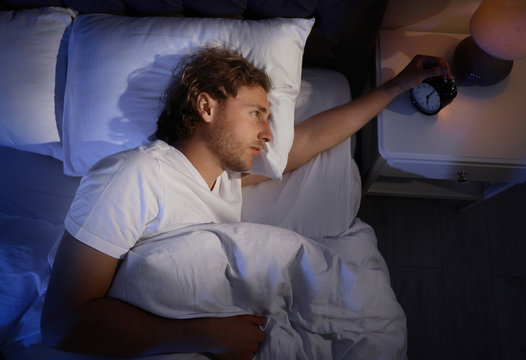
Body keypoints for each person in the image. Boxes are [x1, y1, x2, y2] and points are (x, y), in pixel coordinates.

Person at [41, 47, 451, 360]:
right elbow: (63, 323)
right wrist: (206, 335)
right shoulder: (136, 175)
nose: (269, 134)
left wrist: (395, 86)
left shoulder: (224, 181)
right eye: (257, 114)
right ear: (206, 106)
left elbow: (307, 141)